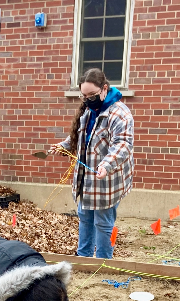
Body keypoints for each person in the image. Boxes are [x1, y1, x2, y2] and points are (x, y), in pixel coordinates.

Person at [48, 68, 134, 259]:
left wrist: (106, 164)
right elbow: (80, 139)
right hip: (85, 178)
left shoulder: (119, 113)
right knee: (85, 218)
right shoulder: (88, 111)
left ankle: (103, 261)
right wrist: (63, 146)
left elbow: (123, 144)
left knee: (103, 222)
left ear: (104, 89)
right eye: (84, 96)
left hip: (107, 179)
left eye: (92, 95)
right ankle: (84, 257)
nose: (87, 99)